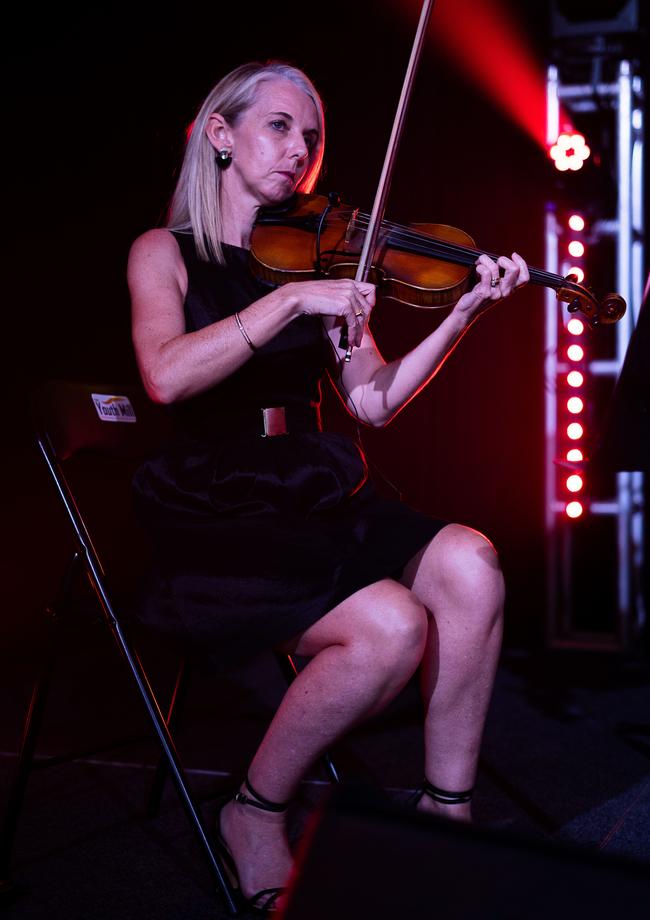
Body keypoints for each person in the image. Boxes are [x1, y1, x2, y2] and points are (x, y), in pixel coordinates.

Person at [127, 59, 529, 913]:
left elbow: (374, 402)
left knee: (472, 562)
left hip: (314, 486)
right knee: (389, 628)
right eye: (279, 126)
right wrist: (288, 305)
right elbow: (164, 378)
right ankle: (255, 809)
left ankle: (444, 813)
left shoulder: (316, 249)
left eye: (310, 134)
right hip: (218, 504)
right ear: (222, 136)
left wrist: (461, 314)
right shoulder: (164, 253)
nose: (300, 148)